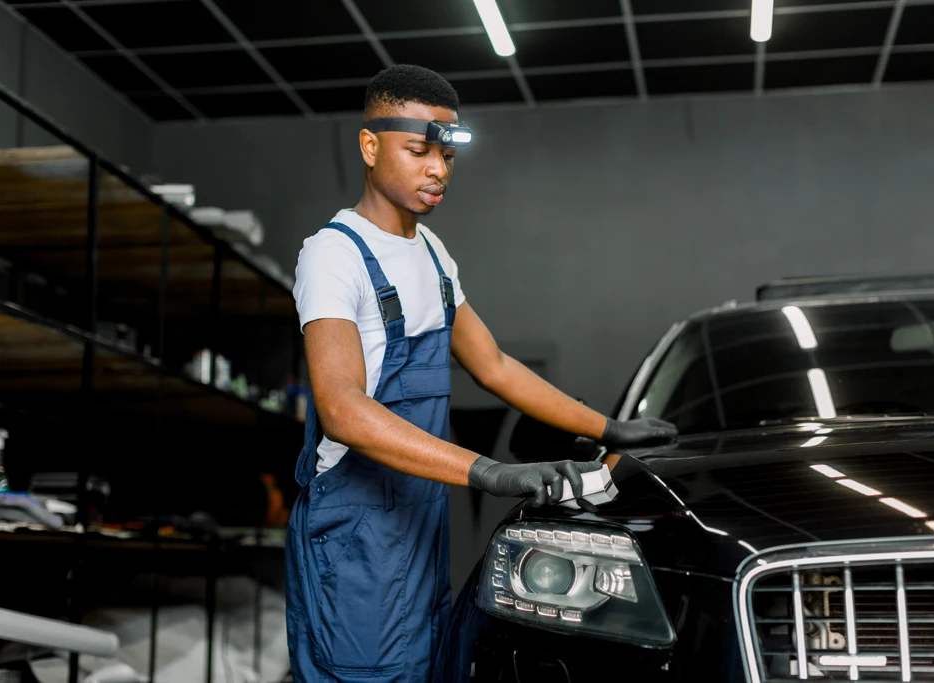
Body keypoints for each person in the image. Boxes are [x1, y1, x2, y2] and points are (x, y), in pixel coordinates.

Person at [284, 64, 677, 682]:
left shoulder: (434, 254)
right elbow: (340, 406)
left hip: (418, 522)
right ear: (369, 145)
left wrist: (610, 428)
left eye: (446, 154)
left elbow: (492, 365)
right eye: (418, 151)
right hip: (355, 534)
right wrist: (490, 472)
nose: (437, 169)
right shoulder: (332, 254)